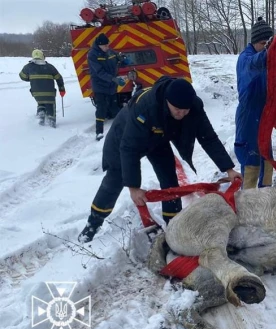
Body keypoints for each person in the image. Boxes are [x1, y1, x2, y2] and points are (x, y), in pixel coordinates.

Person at [78, 76, 242, 243]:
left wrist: (228, 169)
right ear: (167, 101)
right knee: (115, 178)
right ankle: (92, 225)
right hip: (124, 137)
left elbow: (208, 138)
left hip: (158, 138)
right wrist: (134, 187)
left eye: (186, 110)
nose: (182, 113)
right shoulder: (146, 107)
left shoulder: (194, 106)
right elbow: (129, 148)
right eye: (178, 109)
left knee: (169, 179)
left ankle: (174, 224)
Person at [234, 17, 275, 189]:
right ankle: (248, 200)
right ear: (255, 42)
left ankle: (266, 196)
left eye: (268, 44)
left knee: (267, 158)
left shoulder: (265, 59)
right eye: (264, 44)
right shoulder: (246, 58)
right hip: (248, 115)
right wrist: (271, 51)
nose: (266, 48)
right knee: (251, 160)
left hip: (263, 113)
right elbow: (255, 63)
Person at [87, 33, 128, 141]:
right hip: (100, 86)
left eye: (107, 45)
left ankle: (122, 131)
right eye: (105, 46)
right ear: (99, 45)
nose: (107, 47)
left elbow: (117, 60)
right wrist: (113, 79)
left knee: (115, 109)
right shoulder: (92, 55)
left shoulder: (110, 52)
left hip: (111, 86)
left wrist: (123, 60)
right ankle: (99, 132)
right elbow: (99, 72)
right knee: (101, 109)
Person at [19, 49, 65, 128]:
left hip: (36, 94)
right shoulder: (50, 67)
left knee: (41, 102)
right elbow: (59, 78)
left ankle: (41, 115)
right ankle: (51, 121)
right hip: (50, 94)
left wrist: (30, 78)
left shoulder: (28, 67)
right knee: (50, 105)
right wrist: (62, 89)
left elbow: (22, 76)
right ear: (42, 56)